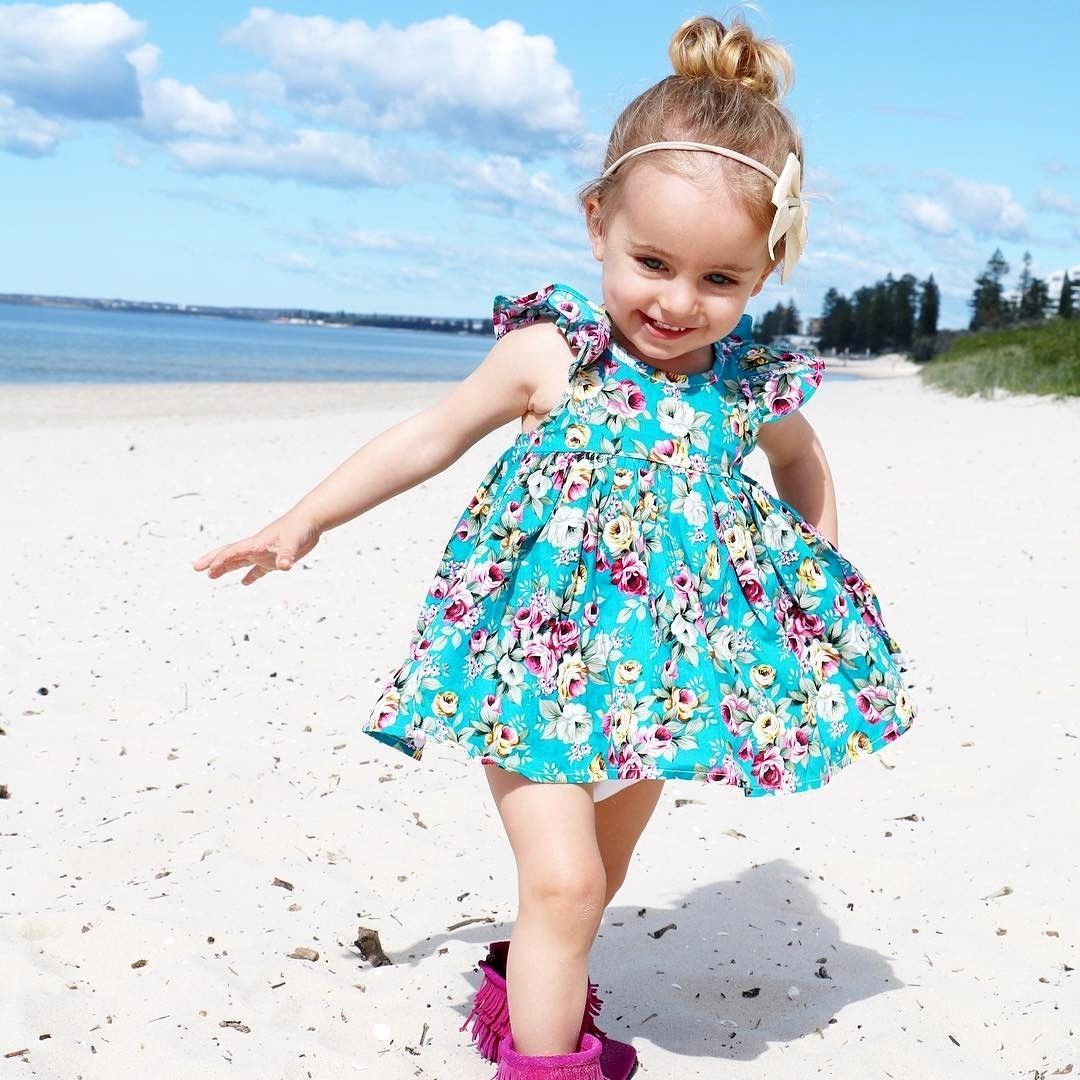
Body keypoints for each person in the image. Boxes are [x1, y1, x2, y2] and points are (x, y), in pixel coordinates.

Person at [193, 12, 917, 1080]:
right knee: (567, 885)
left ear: (764, 273)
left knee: (589, 885)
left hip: (666, 673)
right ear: (597, 225)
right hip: (528, 660)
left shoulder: (745, 384)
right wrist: (305, 518)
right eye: (653, 261)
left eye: (718, 279)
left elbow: (804, 465)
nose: (677, 302)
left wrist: (815, 574)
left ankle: (515, 987)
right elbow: (426, 438)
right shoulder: (554, 355)